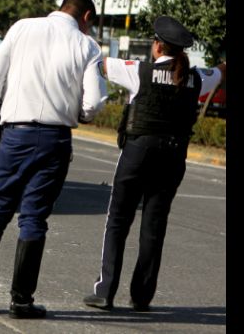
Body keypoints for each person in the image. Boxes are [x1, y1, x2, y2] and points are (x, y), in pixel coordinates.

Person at [0, 0, 107, 319]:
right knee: (34, 217)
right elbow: (94, 103)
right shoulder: (87, 47)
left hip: (15, 135)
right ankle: (21, 301)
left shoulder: (22, 28)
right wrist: (80, 113)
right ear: (85, 17)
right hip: (54, 140)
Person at [82, 16, 226, 312]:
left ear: (158, 46)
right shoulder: (197, 78)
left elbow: (101, 62)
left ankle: (105, 291)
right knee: (154, 226)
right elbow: (221, 73)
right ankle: (142, 296)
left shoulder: (138, 71)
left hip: (138, 153)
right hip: (173, 157)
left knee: (118, 220)